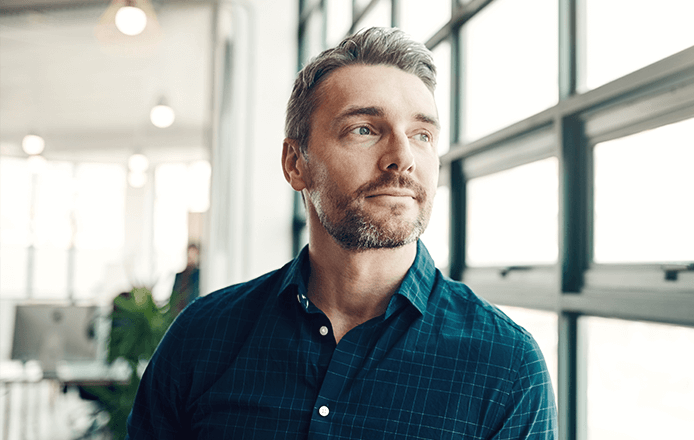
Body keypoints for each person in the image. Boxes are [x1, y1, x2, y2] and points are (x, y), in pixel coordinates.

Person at [126, 27, 557, 439]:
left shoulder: (506, 367)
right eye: (364, 130)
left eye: (421, 134)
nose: (402, 158)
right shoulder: (202, 338)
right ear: (296, 163)